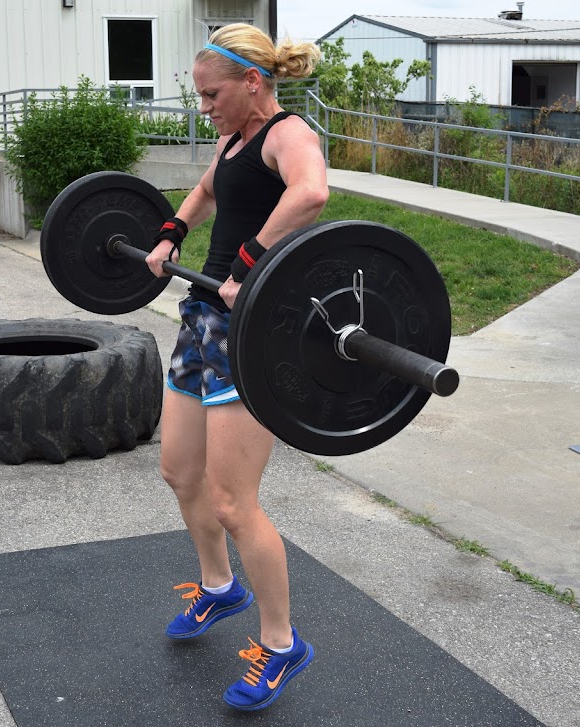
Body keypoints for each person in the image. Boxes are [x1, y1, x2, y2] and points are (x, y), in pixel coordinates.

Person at [144, 23, 329, 711]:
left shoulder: (287, 134)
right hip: (201, 316)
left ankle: (282, 644)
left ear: (253, 82)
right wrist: (172, 233)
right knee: (179, 471)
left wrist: (248, 260)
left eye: (211, 95)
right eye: (198, 96)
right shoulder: (232, 140)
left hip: (250, 331)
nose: (204, 108)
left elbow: (311, 194)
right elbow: (206, 190)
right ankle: (220, 588)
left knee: (232, 501)